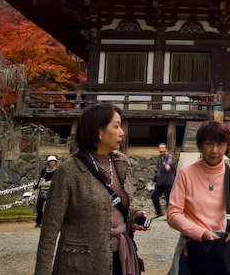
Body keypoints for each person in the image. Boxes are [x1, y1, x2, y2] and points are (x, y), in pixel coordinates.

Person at [35, 104, 149, 275]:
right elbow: (49, 230)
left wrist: (133, 215)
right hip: (81, 264)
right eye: (116, 126)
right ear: (99, 131)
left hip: (120, 258)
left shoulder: (121, 163)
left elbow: (114, 206)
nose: (122, 132)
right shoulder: (69, 171)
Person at [167, 120, 230, 274]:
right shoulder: (186, 174)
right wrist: (201, 233)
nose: (214, 150)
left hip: (225, 251)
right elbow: (173, 214)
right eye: (209, 144)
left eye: (220, 145)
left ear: (227, 146)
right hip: (193, 250)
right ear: (200, 145)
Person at [151, 143, 176, 218]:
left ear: (166, 149)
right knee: (154, 196)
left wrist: (168, 165)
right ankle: (159, 212)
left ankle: (170, 214)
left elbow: (170, 161)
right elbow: (157, 169)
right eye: (160, 148)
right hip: (160, 182)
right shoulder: (160, 158)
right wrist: (154, 178)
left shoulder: (169, 156)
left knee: (168, 199)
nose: (161, 150)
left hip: (168, 181)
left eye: (162, 148)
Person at [34, 155, 58, 227]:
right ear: (48, 162)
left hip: (51, 191)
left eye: (53, 162)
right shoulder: (44, 170)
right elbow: (41, 179)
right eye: (51, 162)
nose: (52, 163)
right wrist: (36, 186)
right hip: (43, 190)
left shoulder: (56, 171)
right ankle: (39, 221)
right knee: (39, 206)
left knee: (47, 207)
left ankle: (46, 222)